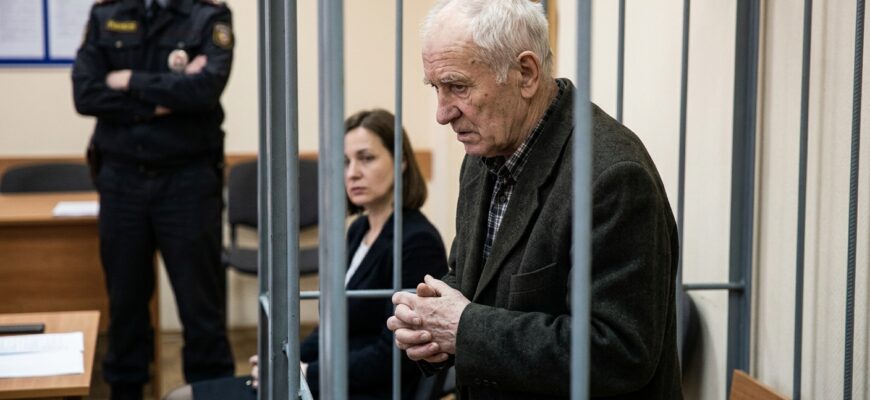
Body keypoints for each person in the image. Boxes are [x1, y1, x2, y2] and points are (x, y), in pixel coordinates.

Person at [387, 0, 683, 398]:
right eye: (435, 87)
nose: (442, 113)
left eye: (458, 86)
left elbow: (617, 353)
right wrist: (429, 324)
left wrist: (463, 328)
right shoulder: (483, 153)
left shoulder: (612, 176)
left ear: (525, 74)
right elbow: (473, 281)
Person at [163, 109, 449, 400]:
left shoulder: (417, 241)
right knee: (180, 396)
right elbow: (331, 328)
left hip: (364, 390)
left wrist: (307, 373)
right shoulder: (359, 229)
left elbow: (395, 355)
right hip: (331, 378)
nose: (352, 173)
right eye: (345, 162)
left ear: (401, 162)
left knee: (181, 398)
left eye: (366, 158)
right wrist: (284, 363)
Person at [71, 0, 235, 398]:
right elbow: (85, 94)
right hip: (121, 183)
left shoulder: (208, 15)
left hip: (188, 184)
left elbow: (204, 90)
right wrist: (163, 99)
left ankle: (211, 393)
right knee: (125, 309)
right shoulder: (107, 14)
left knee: (202, 313)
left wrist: (127, 79)